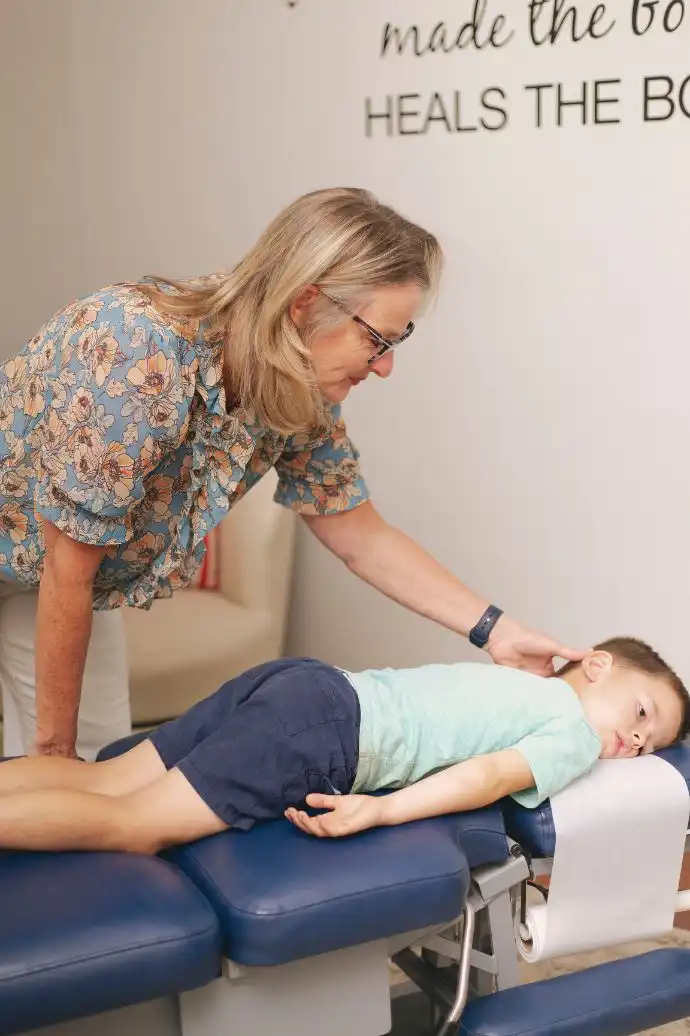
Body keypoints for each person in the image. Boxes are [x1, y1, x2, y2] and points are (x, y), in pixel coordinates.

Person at [0, 186, 584, 762]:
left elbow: (360, 535)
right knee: (58, 769)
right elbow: (67, 569)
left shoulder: (296, 384)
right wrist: (53, 756)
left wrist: (496, 630)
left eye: (398, 340)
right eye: (376, 339)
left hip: (45, 573)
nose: (385, 367)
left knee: (94, 765)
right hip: (55, 566)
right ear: (305, 303)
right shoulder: (136, 348)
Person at [0, 636, 685, 854]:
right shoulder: (568, 729)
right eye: (641, 712)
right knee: (132, 828)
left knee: (104, 779)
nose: (630, 741)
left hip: (307, 685)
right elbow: (489, 776)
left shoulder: (520, 684)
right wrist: (380, 810)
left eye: (646, 745)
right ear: (594, 663)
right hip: (325, 736)